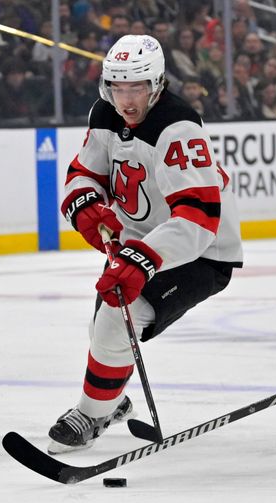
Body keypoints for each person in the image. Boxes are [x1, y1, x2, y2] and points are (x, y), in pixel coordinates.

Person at [48, 34, 243, 454]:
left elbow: (197, 219)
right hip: (141, 241)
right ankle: (112, 400)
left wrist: (144, 258)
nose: (126, 99)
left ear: (156, 84)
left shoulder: (179, 128)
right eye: (117, 87)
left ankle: (91, 413)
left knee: (118, 319)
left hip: (199, 252)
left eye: (136, 87)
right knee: (105, 323)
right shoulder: (104, 115)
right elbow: (84, 172)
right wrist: (86, 207)